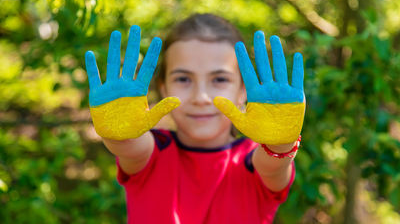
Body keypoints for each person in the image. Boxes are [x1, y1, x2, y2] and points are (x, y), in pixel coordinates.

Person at [85, 13, 305, 224]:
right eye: (183, 79)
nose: (201, 97)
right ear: (163, 88)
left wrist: (281, 142)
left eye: (219, 79)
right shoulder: (152, 153)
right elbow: (128, 145)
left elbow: (273, 165)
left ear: (243, 92)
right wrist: (118, 132)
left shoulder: (252, 161)